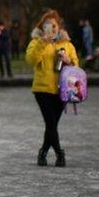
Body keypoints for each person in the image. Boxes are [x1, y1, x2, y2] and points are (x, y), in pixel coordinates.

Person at [25, 9, 78, 167]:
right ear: (42, 27)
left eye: (54, 25)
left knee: (52, 125)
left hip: (62, 90)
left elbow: (76, 66)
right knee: (51, 123)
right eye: (47, 25)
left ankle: (43, 152)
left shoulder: (67, 44)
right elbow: (31, 60)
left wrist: (68, 60)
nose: (52, 28)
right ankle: (59, 153)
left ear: (59, 26)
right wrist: (43, 42)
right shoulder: (36, 41)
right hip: (42, 89)